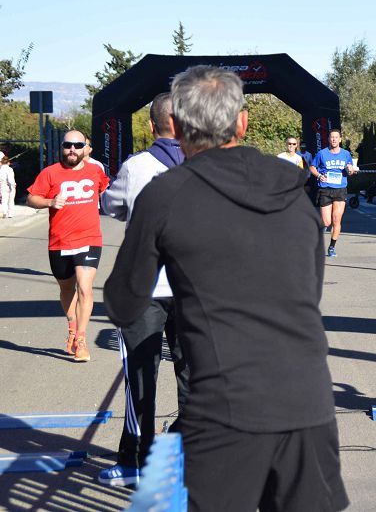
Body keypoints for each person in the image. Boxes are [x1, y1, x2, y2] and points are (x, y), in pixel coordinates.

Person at [103, 65, 348, 511]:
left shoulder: (165, 194)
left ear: (176, 124)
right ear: (243, 122)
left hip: (224, 409)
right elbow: (310, 290)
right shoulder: (293, 189)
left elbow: (122, 302)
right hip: (308, 400)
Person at [97, 93, 190, 487]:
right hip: (195, 290)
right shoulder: (208, 165)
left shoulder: (136, 167)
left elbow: (110, 206)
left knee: (140, 379)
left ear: (151, 126)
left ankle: (137, 463)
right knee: (196, 379)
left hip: (146, 288)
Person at [26, 130, 109, 361]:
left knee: (85, 288)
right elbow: (31, 198)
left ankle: (81, 341)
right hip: (60, 241)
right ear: (61, 148)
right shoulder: (50, 173)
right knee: (66, 289)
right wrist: (50, 202)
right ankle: (72, 326)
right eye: (68, 145)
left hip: (89, 239)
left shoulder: (95, 172)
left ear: (85, 148)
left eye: (77, 145)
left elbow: (105, 190)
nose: (72, 149)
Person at [310, 129, 359, 258]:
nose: (334, 139)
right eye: (332, 137)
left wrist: (351, 170)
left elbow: (351, 170)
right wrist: (319, 175)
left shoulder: (346, 154)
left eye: (336, 137)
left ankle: (331, 247)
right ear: (329, 139)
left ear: (340, 139)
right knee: (326, 222)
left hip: (340, 189)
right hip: (325, 189)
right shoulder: (322, 153)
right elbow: (312, 167)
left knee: (336, 220)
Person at [0, 153, 15, 218]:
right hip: (10, 186)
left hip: (2, 185)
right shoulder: (9, 169)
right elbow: (10, 179)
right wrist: (13, 185)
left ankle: (4, 212)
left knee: (4, 200)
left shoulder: (1, 169)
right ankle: (10, 214)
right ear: (8, 162)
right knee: (11, 200)